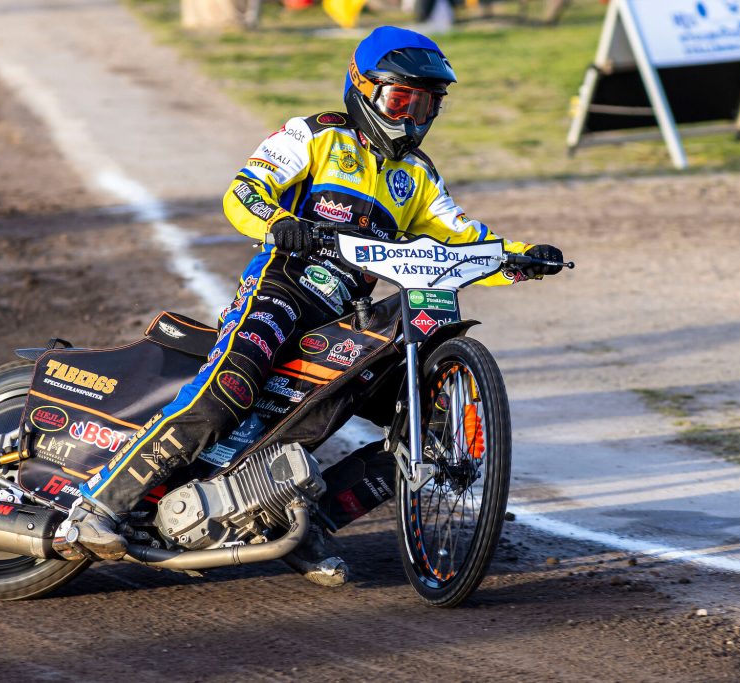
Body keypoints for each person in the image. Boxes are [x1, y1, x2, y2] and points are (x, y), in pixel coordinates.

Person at [53, 26, 564, 586]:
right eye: (402, 99)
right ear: (362, 86)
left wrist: (520, 258)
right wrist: (279, 223)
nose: (413, 117)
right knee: (231, 389)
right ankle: (98, 504)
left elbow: (466, 238)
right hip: (280, 290)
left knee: (421, 422)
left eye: (427, 104)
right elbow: (245, 190)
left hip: (344, 322)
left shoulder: (418, 176)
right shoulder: (313, 135)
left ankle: (304, 523)